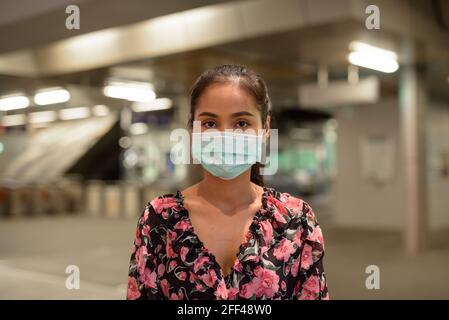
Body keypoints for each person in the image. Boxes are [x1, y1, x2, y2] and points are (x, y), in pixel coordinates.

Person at [126, 64, 329, 300]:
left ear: (264, 129)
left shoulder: (296, 221)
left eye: (241, 123)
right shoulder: (160, 219)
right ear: (193, 129)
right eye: (210, 123)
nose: (225, 136)